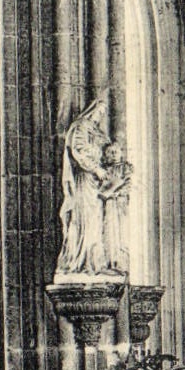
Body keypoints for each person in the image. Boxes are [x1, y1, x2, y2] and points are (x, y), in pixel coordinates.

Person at [56, 99, 109, 276]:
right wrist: (95, 168)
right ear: (91, 109)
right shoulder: (81, 126)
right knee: (85, 218)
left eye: (103, 113)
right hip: (85, 179)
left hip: (97, 183)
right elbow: (79, 150)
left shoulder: (97, 131)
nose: (100, 115)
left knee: (97, 220)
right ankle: (80, 260)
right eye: (98, 111)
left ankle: (94, 261)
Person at [99, 139, 132, 273]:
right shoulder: (104, 171)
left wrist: (117, 192)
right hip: (108, 204)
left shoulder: (126, 167)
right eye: (110, 152)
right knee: (109, 231)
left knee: (122, 233)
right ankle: (110, 261)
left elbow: (129, 184)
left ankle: (121, 263)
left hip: (120, 203)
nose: (113, 154)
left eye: (115, 151)